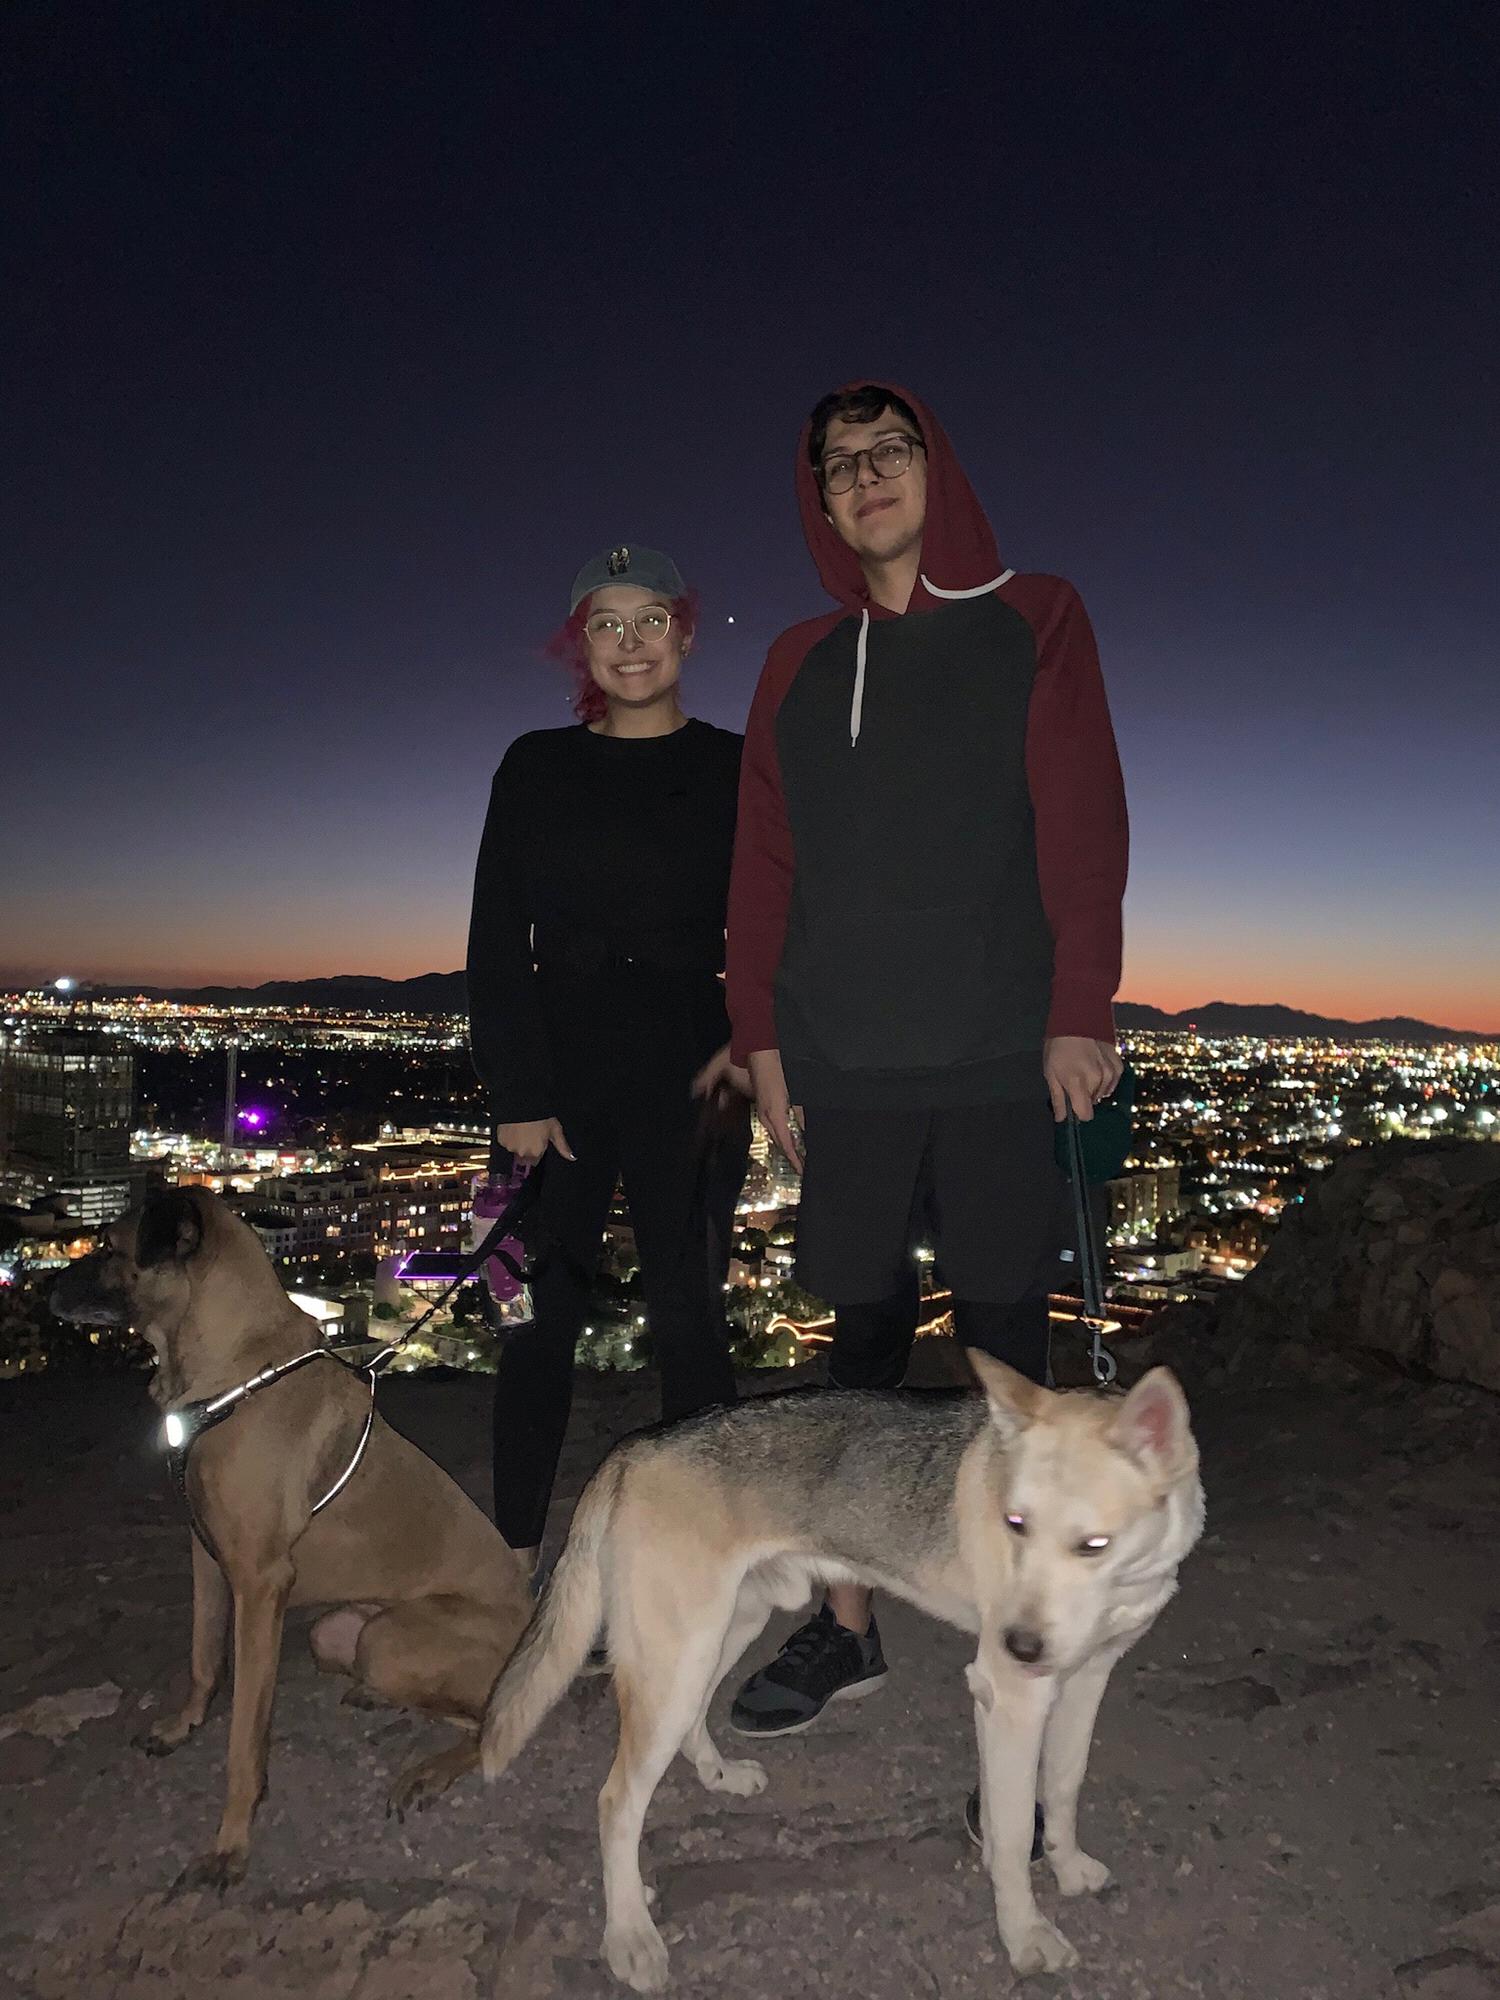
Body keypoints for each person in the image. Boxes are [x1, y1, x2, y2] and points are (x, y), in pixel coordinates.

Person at [723, 383, 1127, 1823]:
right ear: (820, 501)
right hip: (843, 1052)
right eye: (838, 464)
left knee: (1008, 1354)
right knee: (857, 1348)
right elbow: (762, 863)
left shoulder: (1037, 617)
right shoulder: (795, 660)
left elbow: (1083, 819)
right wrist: (764, 1040)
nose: (866, 476)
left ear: (933, 466)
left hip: (1000, 1044)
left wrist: (1080, 1007)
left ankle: (1026, 1653)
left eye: (888, 451)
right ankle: (847, 1630)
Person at [466, 544, 748, 1576]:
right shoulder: (534, 766)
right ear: (579, 643)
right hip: (555, 1071)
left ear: (686, 632)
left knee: (692, 1317)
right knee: (531, 1321)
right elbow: (497, 935)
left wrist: (753, 1040)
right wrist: (517, 1091)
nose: (630, 643)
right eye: (605, 623)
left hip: (696, 1068)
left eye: (650, 619)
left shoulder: (736, 766)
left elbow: (785, 916)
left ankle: (702, 1562)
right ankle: (512, 1565)